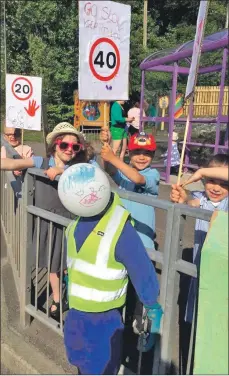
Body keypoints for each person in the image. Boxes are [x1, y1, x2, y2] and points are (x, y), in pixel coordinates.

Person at [56, 163, 162, 375]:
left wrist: (151, 308)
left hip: (104, 318)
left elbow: (141, 268)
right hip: (77, 313)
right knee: (80, 362)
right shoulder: (75, 222)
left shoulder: (119, 228)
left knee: (101, 367)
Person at [0, 122, 94, 320]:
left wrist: (61, 172)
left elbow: (95, 177)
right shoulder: (40, 162)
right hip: (48, 223)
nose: (70, 150)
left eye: (75, 147)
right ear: (54, 146)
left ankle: (73, 294)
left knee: (71, 264)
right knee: (53, 264)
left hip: (71, 223)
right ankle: (59, 299)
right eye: (64, 145)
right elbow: (11, 164)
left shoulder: (79, 168)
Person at [170, 153, 229, 323]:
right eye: (212, 181)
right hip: (202, 266)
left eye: (224, 184)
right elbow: (190, 203)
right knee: (201, 314)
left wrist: (203, 171)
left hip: (223, 268)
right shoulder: (200, 197)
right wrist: (182, 200)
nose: (216, 188)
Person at [101, 130, 160, 251]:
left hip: (143, 237)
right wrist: (108, 145)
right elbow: (110, 170)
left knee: (141, 266)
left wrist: (113, 158)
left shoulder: (153, 174)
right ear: (129, 153)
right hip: (122, 231)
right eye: (137, 152)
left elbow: (138, 178)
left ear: (153, 155)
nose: (142, 157)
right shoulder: (125, 171)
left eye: (147, 153)